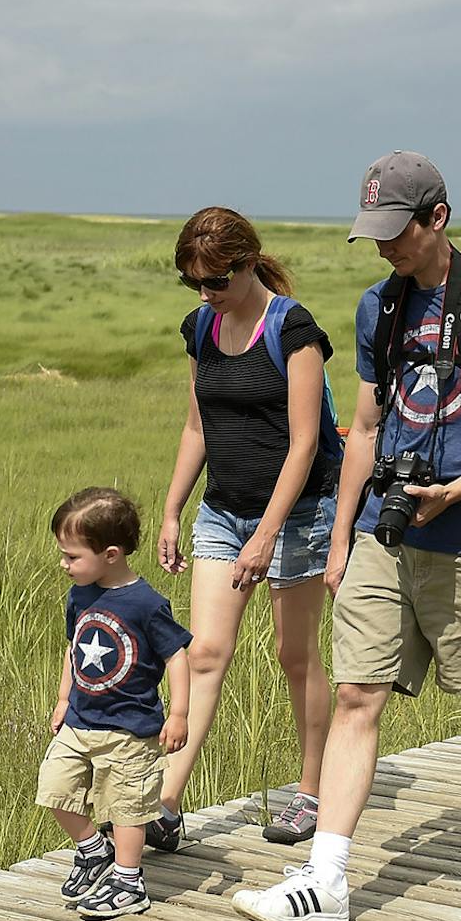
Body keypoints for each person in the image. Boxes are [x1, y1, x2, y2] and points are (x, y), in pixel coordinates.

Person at [233, 152, 461, 921]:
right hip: (386, 531)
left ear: (438, 218)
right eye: (373, 233)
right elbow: (368, 429)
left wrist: (458, 489)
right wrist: (342, 536)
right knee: (357, 692)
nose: (385, 247)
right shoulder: (377, 309)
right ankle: (326, 878)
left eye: (398, 232)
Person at [154, 208, 340, 849]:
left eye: (215, 281)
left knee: (296, 657)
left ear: (247, 263)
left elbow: (305, 442)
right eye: (193, 284)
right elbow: (196, 426)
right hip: (222, 509)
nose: (206, 295)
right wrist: (173, 509)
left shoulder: (294, 331)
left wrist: (267, 534)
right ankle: (167, 803)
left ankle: (311, 793)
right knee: (204, 653)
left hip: (297, 517)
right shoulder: (201, 328)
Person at [37, 487, 191, 920]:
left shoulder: (145, 604)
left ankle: (128, 880)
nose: (64, 565)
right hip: (80, 721)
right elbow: (73, 648)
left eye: (71, 557)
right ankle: (92, 850)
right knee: (55, 789)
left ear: (110, 554)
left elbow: (177, 656)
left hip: (130, 730)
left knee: (128, 807)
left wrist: (178, 713)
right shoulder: (80, 595)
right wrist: (64, 697)